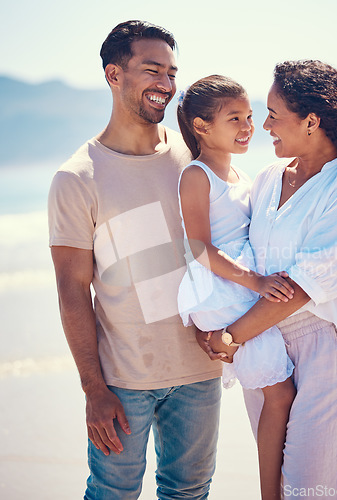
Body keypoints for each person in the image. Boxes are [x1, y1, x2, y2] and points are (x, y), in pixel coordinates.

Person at [197, 60, 337, 499]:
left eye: (273, 113)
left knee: (314, 488)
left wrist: (229, 339)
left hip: (320, 346)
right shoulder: (270, 178)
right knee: (275, 487)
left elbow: (301, 286)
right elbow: (234, 245)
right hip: (264, 348)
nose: (264, 124)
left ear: (312, 121)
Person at [48, 20, 222, 500]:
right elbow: (71, 291)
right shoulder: (77, 177)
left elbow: (233, 240)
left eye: (171, 72)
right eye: (152, 70)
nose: (166, 84)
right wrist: (92, 389)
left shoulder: (196, 156)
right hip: (123, 379)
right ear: (113, 74)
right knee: (112, 493)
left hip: (201, 368)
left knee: (190, 491)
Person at [176, 75, 297, 499]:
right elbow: (199, 249)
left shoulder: (242, 174)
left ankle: (275, 488)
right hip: (222, 289)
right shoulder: (196, 175)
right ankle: (271, 493)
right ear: (201, 126)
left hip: (239, 284)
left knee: (278, 394)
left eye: (249, 117)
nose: (248, 127)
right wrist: (257, 281)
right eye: (234, 119)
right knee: (279, 394)